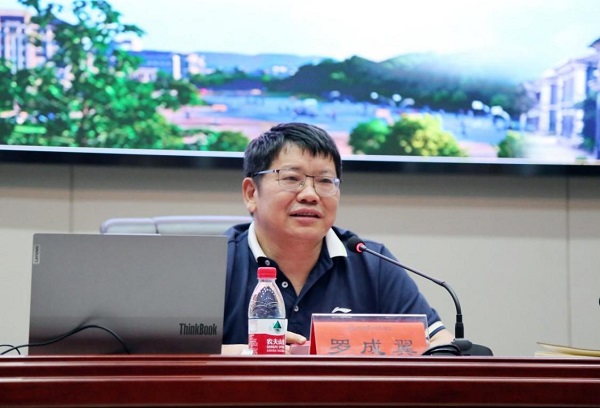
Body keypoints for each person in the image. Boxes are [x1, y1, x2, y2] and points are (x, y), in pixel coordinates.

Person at [222, 122, 455, 353]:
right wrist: (252, 353)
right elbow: (195, 355)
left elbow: (440, 344)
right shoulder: (215, 263)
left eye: (325, 181)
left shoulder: (372, 264)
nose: (310, 195)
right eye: (292, 178)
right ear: (251, 193)